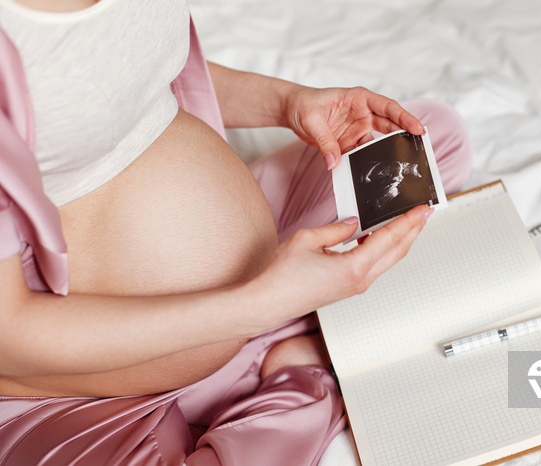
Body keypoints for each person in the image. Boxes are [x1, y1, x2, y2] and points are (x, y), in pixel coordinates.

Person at [0, 0, 471, 464]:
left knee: (427, 145)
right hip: (77, 379)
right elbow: (11, 332)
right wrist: (261, 305)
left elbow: (128, 74)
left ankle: (235, 365)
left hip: (256, 279)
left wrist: (288, 102)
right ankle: (298, 370)